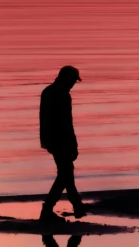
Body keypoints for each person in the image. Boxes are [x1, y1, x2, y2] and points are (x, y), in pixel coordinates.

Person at [39, 65, 88, 222]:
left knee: (66, 173)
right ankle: (48, 209)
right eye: (73, 80)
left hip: (50, 139)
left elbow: (44, 120)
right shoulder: (62, 95)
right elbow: (67, 123)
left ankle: (77, 206)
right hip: (60, 140)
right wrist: (73, 145)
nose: (74, 84)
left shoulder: (47, 91)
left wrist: (46, 141)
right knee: (65, 173)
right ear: (66, 78)